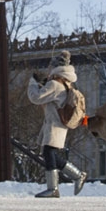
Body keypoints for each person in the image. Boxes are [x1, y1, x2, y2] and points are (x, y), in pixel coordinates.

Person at [26, 50, 87, 198]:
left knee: (48, 152)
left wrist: (33, 83)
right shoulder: (66, 82)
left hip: (54, 124)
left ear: (54, 66)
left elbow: (36, 98)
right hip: (59, 124)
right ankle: (76, 176)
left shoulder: (55, 83)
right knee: (50, 153)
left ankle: (54, 188)